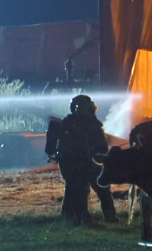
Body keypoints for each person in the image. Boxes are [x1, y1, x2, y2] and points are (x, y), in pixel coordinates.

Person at [45, 94, 118, 225]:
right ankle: (81, 217)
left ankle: (107, 216)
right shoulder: (70, 125)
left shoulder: (91, 124)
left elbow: (101, 146)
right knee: (78, 189)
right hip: (76, 164)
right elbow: (67, 147)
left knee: (100, 189)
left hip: (90, 163)